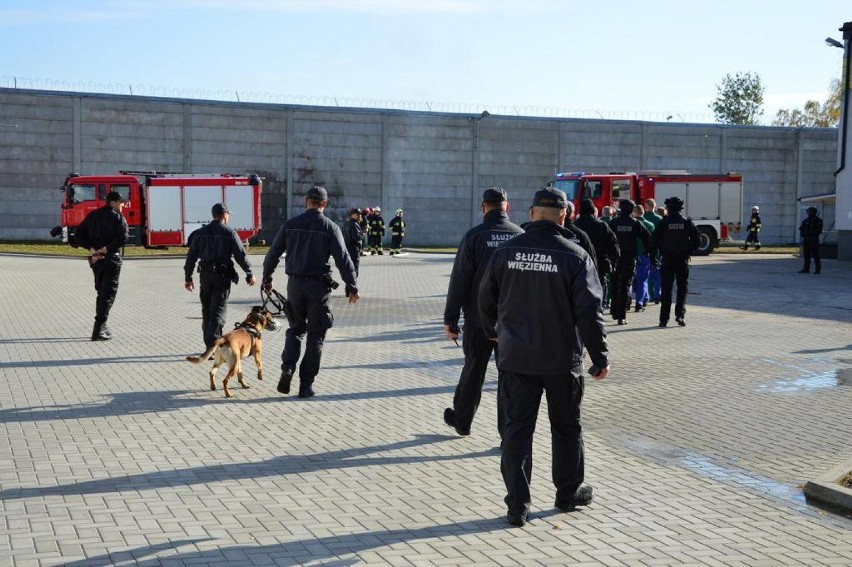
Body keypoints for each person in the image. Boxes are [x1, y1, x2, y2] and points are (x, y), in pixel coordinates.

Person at [478, 186, 610, 527]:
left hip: (517, 359)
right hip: (561, 361)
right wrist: (600, 357)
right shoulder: (576, 255)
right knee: (566, 428)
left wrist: (494, 330)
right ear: (563, 216)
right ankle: (567, 494)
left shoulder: (506, 252)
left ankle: (517, 506)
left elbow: (485, 298)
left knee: (517, 431)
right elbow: (590, 312)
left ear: (533, 213)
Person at [262, 186, 360, 398]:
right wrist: (351, 285)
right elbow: (344, 259)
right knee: (316, 335)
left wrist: (267, 278)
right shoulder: (330, 227)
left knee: (296, 329)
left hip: (295, 286)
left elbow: (273, 254)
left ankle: (288, 367)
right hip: (319, 288)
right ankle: (305, 385)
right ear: (324, 204)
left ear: (306, 201)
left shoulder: (290, 225)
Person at [443, 187, 524, 438]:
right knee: (509, 378)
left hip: (478, 318)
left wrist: (451, 320)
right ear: (506, 207)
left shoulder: (474, 236)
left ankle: (462, 421)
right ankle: (507, 435)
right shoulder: (521, 236)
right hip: (512, 321)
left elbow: (460, 280)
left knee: (473, 369)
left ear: (483, 207)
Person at [184, 203, 256, 349]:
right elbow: (240, 256)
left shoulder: (200, 233)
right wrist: (249, 274)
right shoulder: (230, 232)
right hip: (222, 277)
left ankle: (210, 345)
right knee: (218, 311)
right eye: (228, 214)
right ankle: (213, 346)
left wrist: (188, 277)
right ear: (224, 215)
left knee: (207, 311)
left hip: (205, 276)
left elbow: (191, 257)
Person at [74, 191, 129, 341]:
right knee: (108, 295)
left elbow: (79, 235)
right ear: (112, 202)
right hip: (111, 260)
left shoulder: (93, 216)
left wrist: (92, 250)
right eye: (120, 202)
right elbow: (123, 238)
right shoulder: (118, 217)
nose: (122, 205)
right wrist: (105, 250)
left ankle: (102, 326)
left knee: (101, 293)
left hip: (96, 261)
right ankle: (98, 329)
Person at [653, 196, 700, 327]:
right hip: (682, 260)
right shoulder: (687, 222)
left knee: (666, 290)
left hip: (667, 260)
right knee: (682, 289)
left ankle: (663, 319)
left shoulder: (664, 222)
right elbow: (697, 241)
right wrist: (688, 251)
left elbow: (655, 241)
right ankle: (680, 316)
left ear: (668, 208)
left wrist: (657, 254)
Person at [608, 199, 652, 325]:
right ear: (631, 210)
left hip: (615, 258)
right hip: (629, 258)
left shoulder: (614, 222)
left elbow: (607, 238)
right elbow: (648, 239)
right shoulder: (635, 223)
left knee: (615, 283)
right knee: (625, 286)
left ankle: (614, 312)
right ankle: (621, 316)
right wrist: (646, 253)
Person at [574, 198, 620, 306]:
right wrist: (614, 261)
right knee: (600, 284)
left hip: (579, 263)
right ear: (593, 210)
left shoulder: (575, 225)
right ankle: (600, 306)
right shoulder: (602, 225)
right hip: (599, 262)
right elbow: (613, 244)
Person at [632, 204, 656, 312]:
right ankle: (641, 301)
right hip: (644, 255)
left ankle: (630, 301)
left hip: (631, 254)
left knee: (630, 279)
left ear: (635, 212)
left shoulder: (631, 223)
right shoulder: (650, 225)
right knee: (643, 280)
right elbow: (653, 241)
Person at [643, 199, 663, 303]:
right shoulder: (659, 218)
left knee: (647, 274)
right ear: (654, 207)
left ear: (646, 207)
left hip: (645, 250)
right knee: (657, 273)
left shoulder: (643, 218)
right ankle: (658, 294)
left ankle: (649, 294)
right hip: (658, 249)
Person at [798, 206, 823, 274]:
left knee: (816, 255)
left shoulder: (818, 220)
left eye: (810, 211)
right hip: (806, 239)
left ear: (814, 212)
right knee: (806, 255)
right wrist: (805, 233)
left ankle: (817, 270)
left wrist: (810, 233)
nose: (809, 213)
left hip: (813, 239)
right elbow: (801, 228)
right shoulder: (806, 220)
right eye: (808, 211)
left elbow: (818, 231)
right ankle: (806, 269)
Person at [343, 208, 363, 276]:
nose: (360, 216)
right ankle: (352, 284)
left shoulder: (346, 223)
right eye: (358, 214)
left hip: (347, 248)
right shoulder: (354, 224)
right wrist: (362, 234)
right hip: (354, 249)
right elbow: (357, 238)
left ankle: (349, 284)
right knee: (354, 267)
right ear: (353, 215)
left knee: (349, 267)